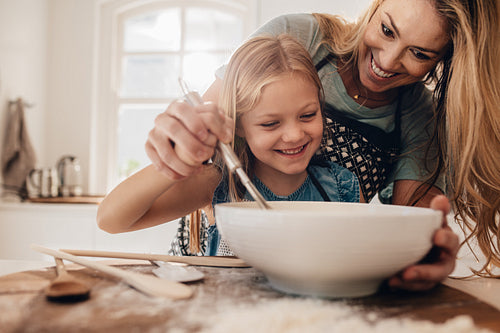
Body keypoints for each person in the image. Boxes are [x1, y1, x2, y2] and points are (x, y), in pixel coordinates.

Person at [144, 0, 500, 287]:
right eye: (387, 30)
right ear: (374, 8)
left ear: (445, 61)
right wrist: (181, 140)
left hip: (314, 282)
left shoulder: (422, 120)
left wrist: (420, 255)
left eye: (420, 54)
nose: (388, 61)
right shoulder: (300, 38)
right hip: (208, 260)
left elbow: (406, 232)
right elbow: (210, 136)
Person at [97, 34, 364, 257]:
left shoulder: (343, 188)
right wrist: (179, 160)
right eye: (271, 124)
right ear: (238, 126)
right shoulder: (218, 185)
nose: (294, 135)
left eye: (307, 115)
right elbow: (110, 220)